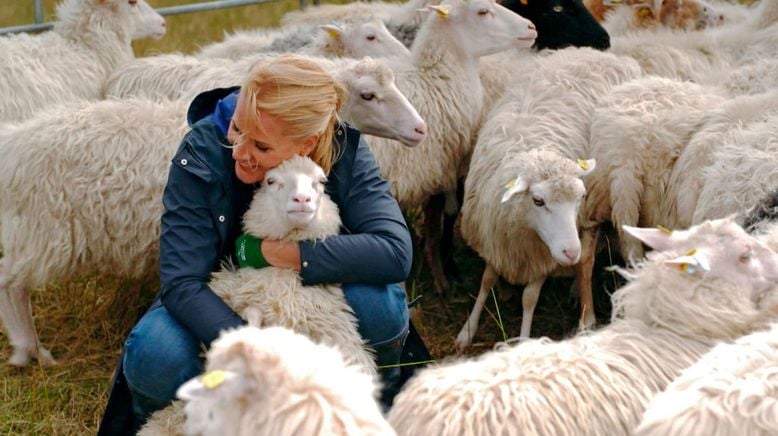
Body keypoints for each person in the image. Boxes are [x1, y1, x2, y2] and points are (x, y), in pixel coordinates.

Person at [98, 54, 412, 434]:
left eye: (261, 147)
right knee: (157, 353)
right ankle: (173, 418)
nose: (241, 151)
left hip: (314, 292)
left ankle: (370, 406)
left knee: (378, 305)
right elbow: (182, 282)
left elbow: (394, 251)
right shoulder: (203, 151)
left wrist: (279, 253)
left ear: (307, 144)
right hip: (227, 296)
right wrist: (258, 354)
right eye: (237, 128)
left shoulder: (342, 148)